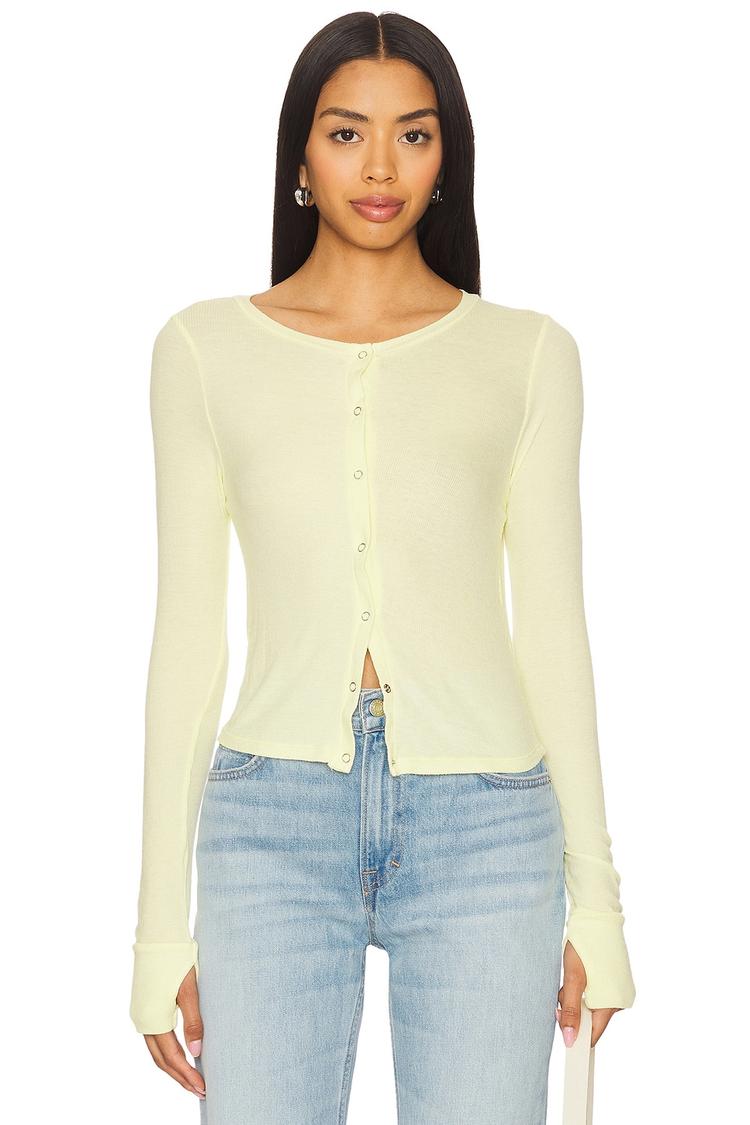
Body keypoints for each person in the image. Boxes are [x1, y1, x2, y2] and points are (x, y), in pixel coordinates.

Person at [129, 11, 636, 1123]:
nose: (379, 168)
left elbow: (555, 630)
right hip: (269, 826)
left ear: (447, 158)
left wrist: (598, 906)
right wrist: (160, 928)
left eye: (413, 134)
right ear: (300, 157)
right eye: (346, 132)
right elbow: (188, 642)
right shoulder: (203, 351)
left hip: (489, 828)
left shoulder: (527, 355)